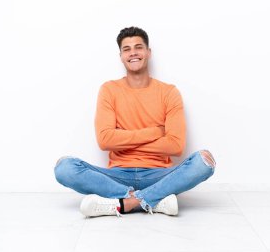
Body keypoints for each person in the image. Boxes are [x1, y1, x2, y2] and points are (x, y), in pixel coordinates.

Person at [54, 26, 216, 217]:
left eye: (138, 47)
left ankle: (126, 202)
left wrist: (123, 141)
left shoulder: (169, 92)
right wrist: (154, 133)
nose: (133, 53)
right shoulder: (109, 90)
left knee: (204, 162)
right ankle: (152, 200)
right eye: (127, 49)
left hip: (159, 174)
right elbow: (105, 140)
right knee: (64, 168)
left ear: (148, 52)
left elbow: (176, 145)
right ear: (121, 56)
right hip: (117, 176)